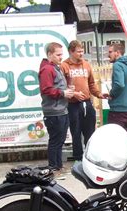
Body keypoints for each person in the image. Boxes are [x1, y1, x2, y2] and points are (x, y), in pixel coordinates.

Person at [61, 40, 107, 161]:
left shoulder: (86, 65)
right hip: (73, 104)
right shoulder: (64, 66)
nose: (81, 54)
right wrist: (73, 94)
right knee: (76, 132)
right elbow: (61, 86)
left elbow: (91, 83)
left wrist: (98, 94)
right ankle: (78, 156)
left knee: (90, 130)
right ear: (71, 52)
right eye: (78, 52)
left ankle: (90, 155)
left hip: (87, 102)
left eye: (82, 51)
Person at [38, 42, 74, 175]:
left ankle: (58, 166)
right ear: (49, 54)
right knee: (55, 140)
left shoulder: (55, 67)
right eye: (58, 55)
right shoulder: (47, 69)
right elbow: (46, 89)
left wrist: (67, 90)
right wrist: (63, 93)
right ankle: (53, 167)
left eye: (61, 54)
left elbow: (56, 87)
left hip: (61, 109)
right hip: (53, 111)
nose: (61, 57)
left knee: (60, 139)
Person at [107, 43, 127, 167]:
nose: (108, 55)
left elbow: (119, 84)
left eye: (110, 52)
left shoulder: (118, 65)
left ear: (117, 53)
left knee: (115, 136)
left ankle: (118, 163)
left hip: (118, 108)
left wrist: (112, 94)